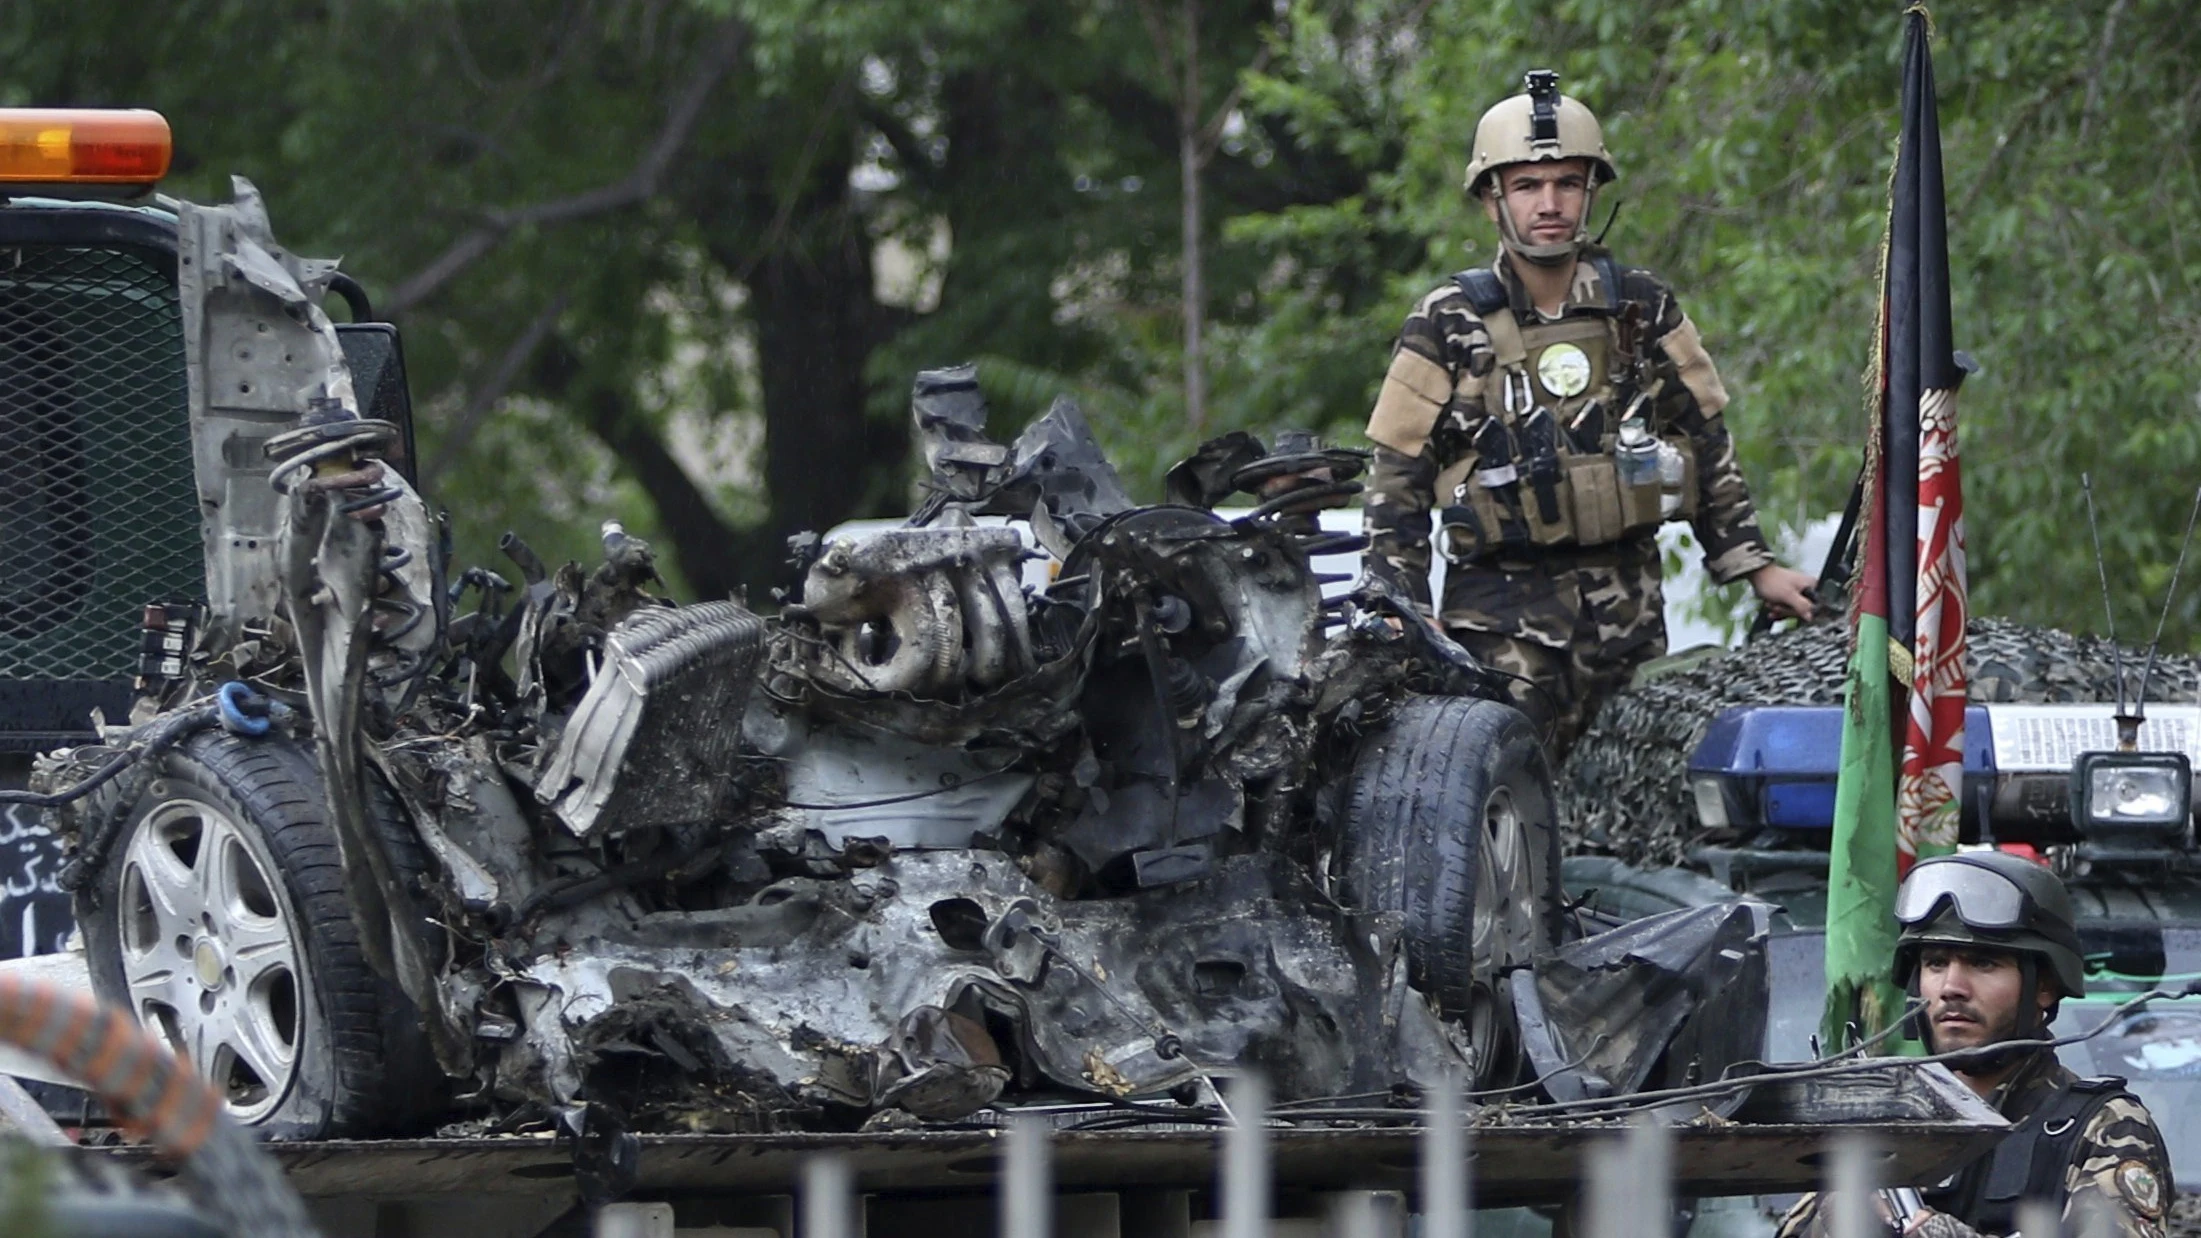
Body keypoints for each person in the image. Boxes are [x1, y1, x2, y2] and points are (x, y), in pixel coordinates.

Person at [1360, 69, 1815, 759]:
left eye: (1567, 183)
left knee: (1630, 814)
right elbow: (1396, 478)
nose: (1549, 203)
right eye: (1526, 185)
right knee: (1503, 818)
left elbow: (1703, 441)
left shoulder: (1640, 305)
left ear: (1590, 192)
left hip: (1628, 621)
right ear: (1492, 199)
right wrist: (1402, 609)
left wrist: (1754, 566)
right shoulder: (1446, 320)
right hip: (1497, 632)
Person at [1775, 852, 2175, 1237]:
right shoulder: (1885, 1121)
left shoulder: (2101, 1127)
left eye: (1983, 963)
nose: (1952, 987)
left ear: (2046, 987)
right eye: (1935, 963)